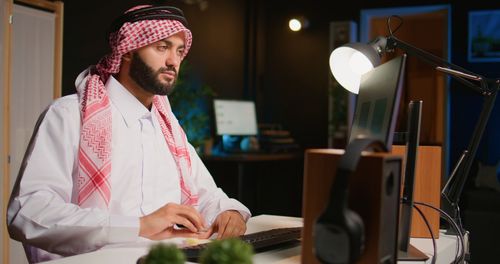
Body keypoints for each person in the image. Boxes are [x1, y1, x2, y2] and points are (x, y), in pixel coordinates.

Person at [7, 5, 250, 263]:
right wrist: (139, 225)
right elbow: (27, 212)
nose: (173, 61)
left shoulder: (169, 129)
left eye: (179, 51)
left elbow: (207, 195)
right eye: (162, 47)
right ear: (128, 51)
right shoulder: (68, 116)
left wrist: (229, 212)